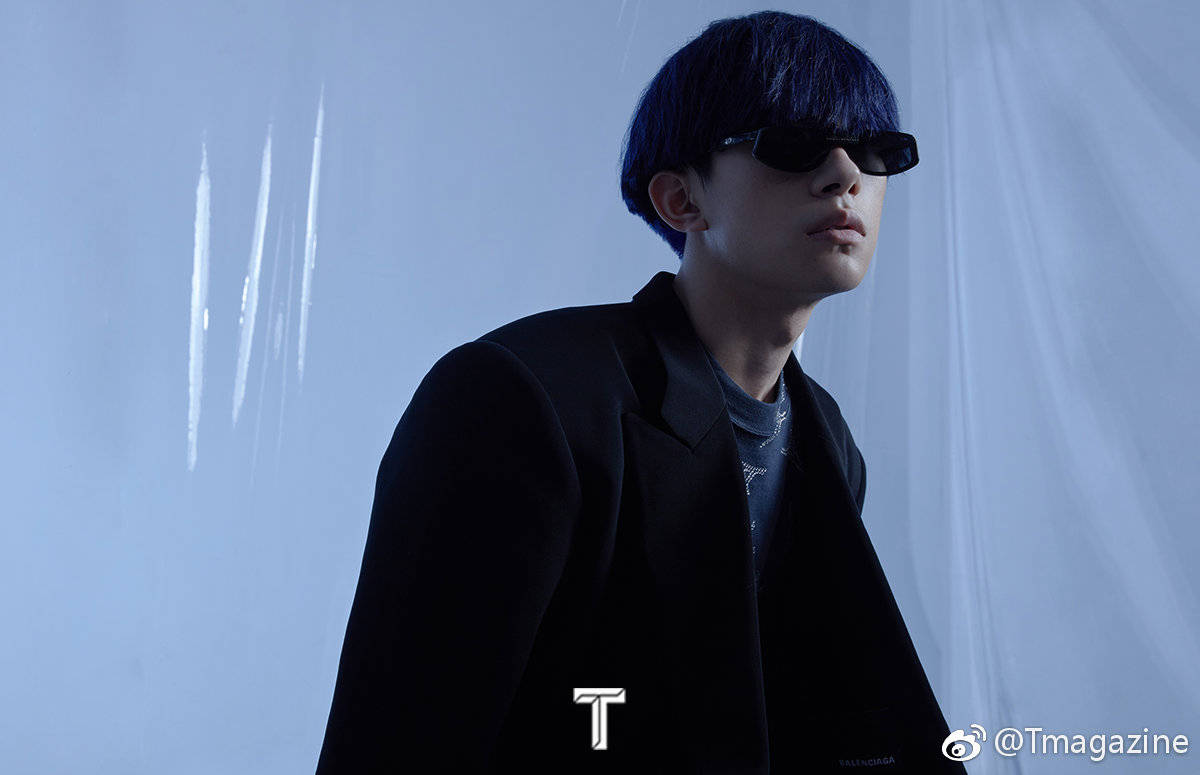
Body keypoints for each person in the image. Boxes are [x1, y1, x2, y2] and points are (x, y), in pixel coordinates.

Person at [316, 11, 964, 774]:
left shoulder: (826, 434)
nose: (847, 175)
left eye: (877, 150)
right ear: (680, 200)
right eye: (793, 144)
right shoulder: (518, 397)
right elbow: (397, 743)